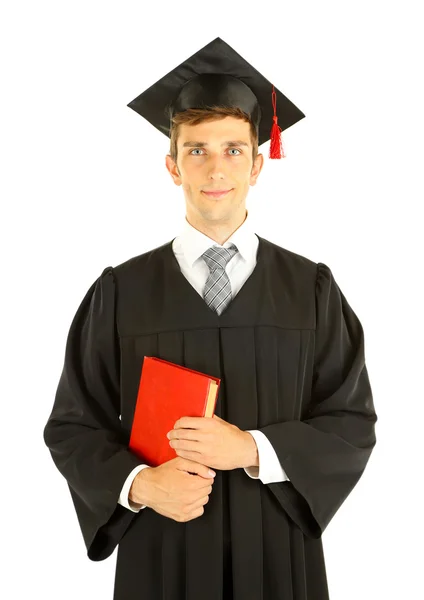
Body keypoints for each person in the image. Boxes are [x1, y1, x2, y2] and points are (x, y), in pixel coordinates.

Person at [43, 36, 378, 600]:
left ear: (258, 162)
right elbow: (73, 427)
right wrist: (141, 485)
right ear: (172, 166)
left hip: (278, 556)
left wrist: (251, 449)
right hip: (162, 552)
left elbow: (350, 423)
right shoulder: (120, 291)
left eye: (233, 149)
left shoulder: (311, 288)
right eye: (196, 150)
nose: (215, 167)